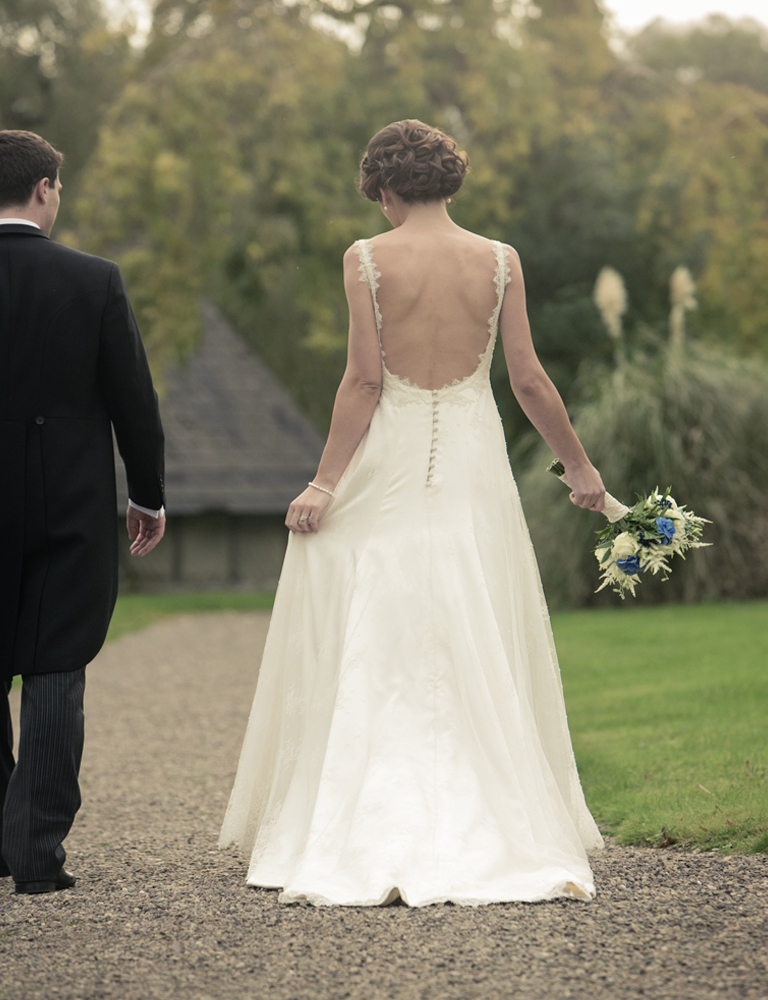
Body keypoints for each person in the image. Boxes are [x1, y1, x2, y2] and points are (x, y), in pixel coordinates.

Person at [219, 119, 606, 906]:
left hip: (390, 459)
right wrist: (580, 466)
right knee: (471, 610)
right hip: (471, 462)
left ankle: (368, 811)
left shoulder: (366, 258)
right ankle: (492, 814)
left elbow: (363, 383)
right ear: (449, 180)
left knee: (383, 615)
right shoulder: (500, 261)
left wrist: (324, 484)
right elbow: (528, 380)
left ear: (385, 189)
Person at [0, 130, 166, 894]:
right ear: (43, 189)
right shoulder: (94, 279)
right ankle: (36, 854)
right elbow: (133, 398)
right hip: (70, 499)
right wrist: (148, 495)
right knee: (57, 665)